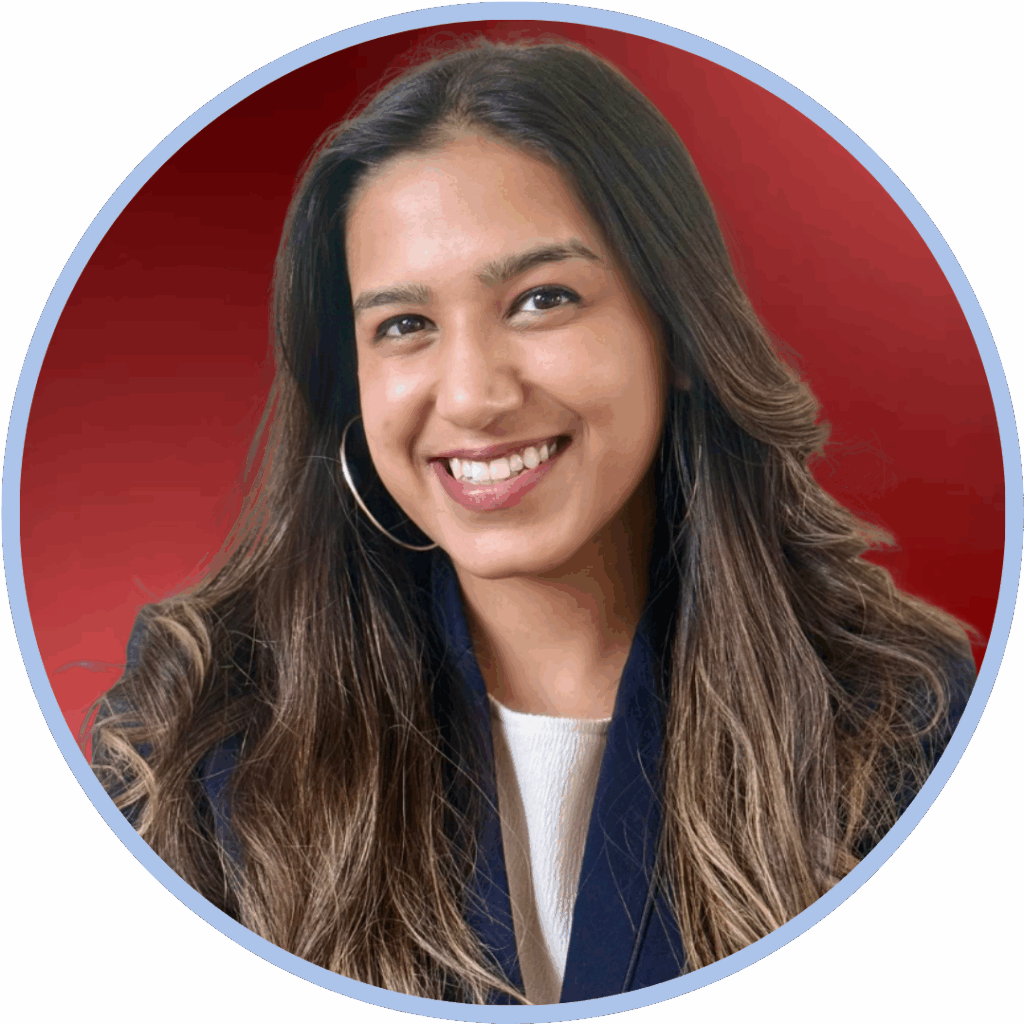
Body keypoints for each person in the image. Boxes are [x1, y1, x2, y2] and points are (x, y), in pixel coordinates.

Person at [90, 38, 976, 1006]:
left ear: (676, 330)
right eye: (403, 324)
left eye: (542, 299)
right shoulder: (195, 721)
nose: (471, 395)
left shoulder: (904, 718)